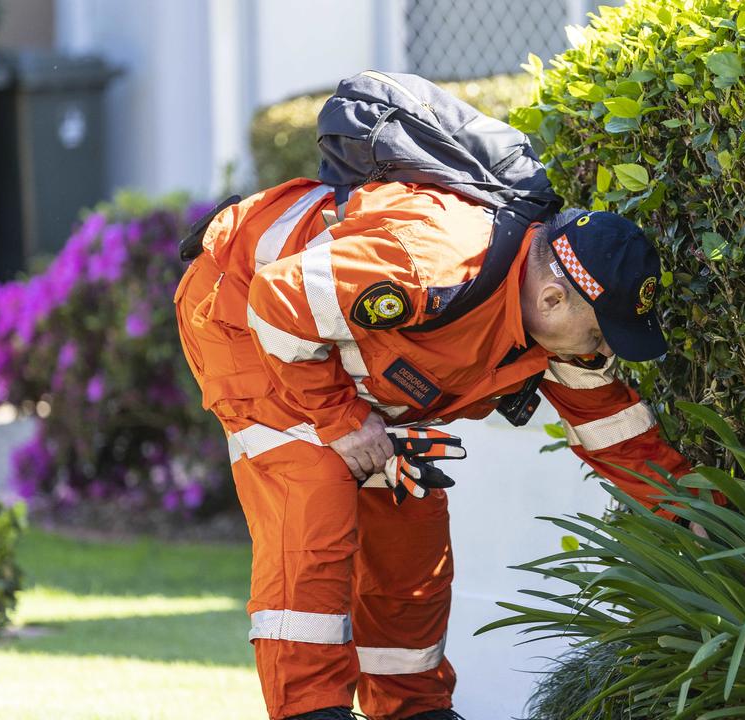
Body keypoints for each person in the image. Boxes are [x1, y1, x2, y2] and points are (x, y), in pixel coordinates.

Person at [174, 176, 700, 720]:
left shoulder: (552, 330)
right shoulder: (439, 262)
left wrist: (692, 515)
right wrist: (342, 420)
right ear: (553, 297)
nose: (603, 351)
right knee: (311, 506)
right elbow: (277, 299)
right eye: (599, 335)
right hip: (238, 311)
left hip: (342, 365)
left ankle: (412, 709)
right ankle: (311, 709)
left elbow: (617, 431)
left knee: (411, 529)